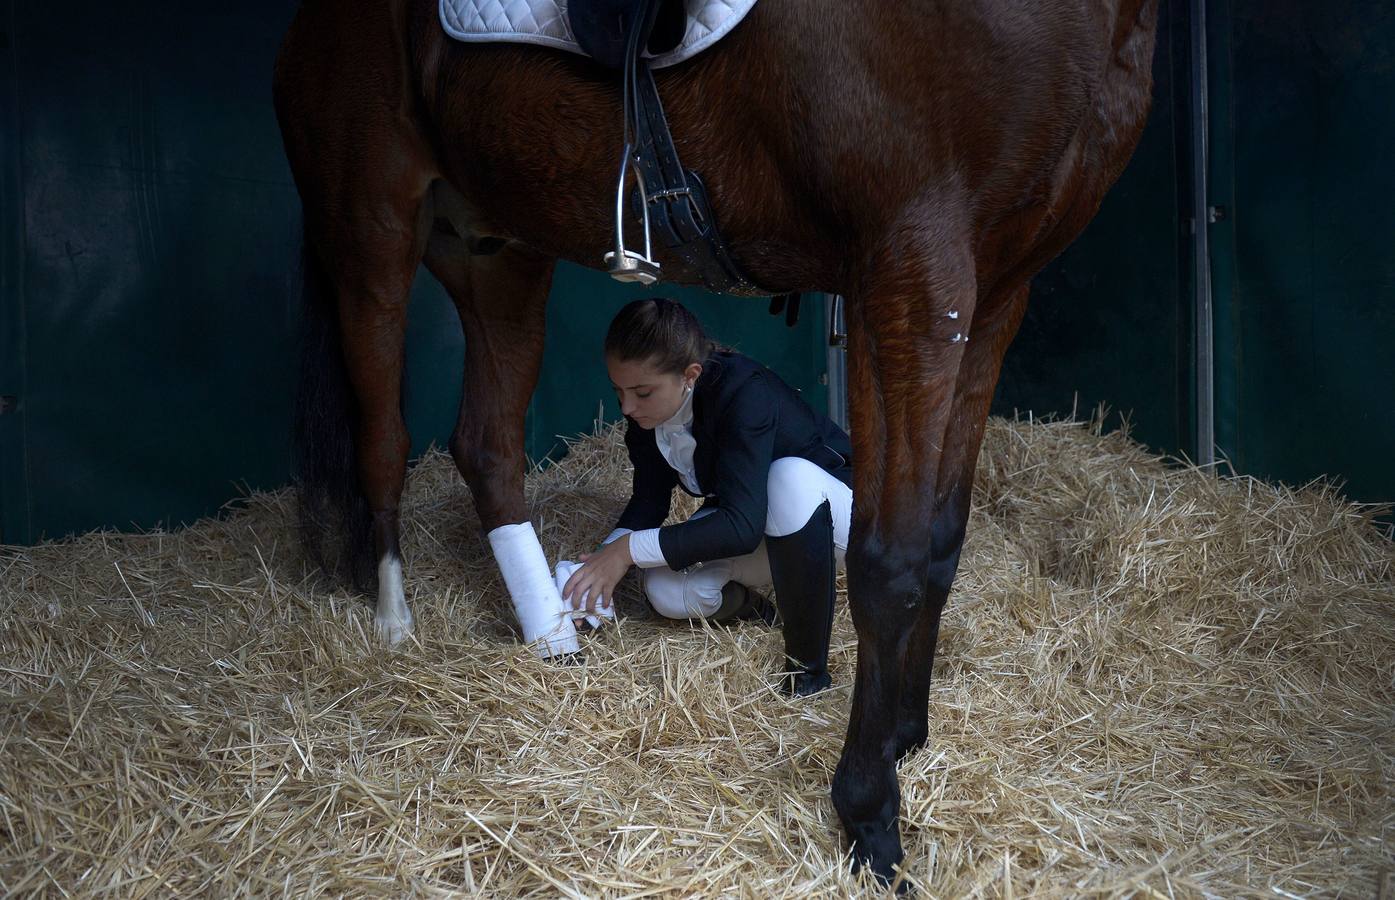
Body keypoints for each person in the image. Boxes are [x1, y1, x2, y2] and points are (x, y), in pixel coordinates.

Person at [561, 297, 853, 695]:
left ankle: (807, 675)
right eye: (619, 391)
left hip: (840, 518)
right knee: (663, 589)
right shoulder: (648, 416)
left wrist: (628, 550)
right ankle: (755, 609)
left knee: (788, 476)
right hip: (759, 521)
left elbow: (741, 528)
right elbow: (650, 499)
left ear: (689, 374)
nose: (627, 407)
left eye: (642, 392)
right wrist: (598, 568)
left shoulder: (743, 392)